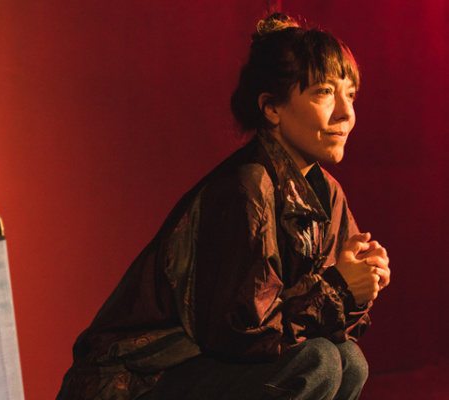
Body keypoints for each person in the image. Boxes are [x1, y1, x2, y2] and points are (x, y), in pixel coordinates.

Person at [57, 12, 390, 400]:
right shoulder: (246, 188)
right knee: (318, 362)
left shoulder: (327, 194)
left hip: (206, 367)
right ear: (272, 108)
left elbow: (319, 323)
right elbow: (242, 332)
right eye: (324, 92)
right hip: (138, 381)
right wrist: (339, 289)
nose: (346, 113)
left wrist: (359, 284)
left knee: (349, 361)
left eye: (350, 94)